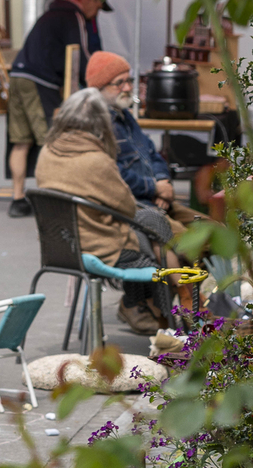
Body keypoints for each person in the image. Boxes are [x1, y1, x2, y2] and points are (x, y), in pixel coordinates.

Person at [35, 88, 186, 334]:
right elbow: (126, 206)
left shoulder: (47, 152)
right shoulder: (97, 160)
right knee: (154, 230)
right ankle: (173, 312)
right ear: (100, 123)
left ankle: (152, 309)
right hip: (102, 249)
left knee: (150, 225)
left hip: (62, 246)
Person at [6, 0, 111, 218]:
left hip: (17, 75)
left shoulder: (49, 15)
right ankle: (51, 200)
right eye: (99, 6)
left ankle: (18, 199)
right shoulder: (73, 17)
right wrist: (100, 83)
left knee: (21, 142)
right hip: (41, 81)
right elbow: (82, 57)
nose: (97, 13)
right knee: (50, 140)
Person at [87, 51, 209, 236]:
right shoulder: (97, 125)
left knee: (214, 231)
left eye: (129, 80)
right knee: (195, 242)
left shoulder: (126, 116)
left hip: (156, 199)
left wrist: (163, 182)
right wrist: (155, 189)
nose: (128, 87)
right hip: (134, 208)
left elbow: (152, 153)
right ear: (99, 88)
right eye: (119, 83)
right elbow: (113, 173)